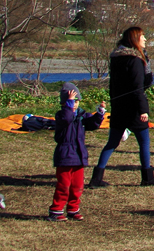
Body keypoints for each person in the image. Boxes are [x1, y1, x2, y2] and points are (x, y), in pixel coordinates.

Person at [89, 26, 154, 187]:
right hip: (133, 109)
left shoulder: (116, 58)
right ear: (135, 39)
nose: (145, 40)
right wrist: (143, 109)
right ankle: (147, 176)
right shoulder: (135, 60)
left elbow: (115, 86)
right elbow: (138, 88)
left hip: (118, 107)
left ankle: (96, 177)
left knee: (112, 142)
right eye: (143, 37)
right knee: (144, 142)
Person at [48, 83, 106, 221]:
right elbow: (67, 119)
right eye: (72, 101)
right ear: (64, 103)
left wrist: (99, 113)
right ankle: (56, 210)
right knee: (64, 185)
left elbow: (92, 124)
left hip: (79, 155)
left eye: (76, 101)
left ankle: (73, 209)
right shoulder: (62, 115)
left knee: (77, 186)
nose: (74, 104)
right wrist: (68, 105)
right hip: (64, 155)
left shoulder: (81, 115)